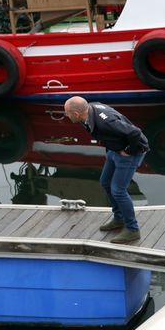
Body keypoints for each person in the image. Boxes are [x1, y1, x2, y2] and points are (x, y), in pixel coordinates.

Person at [63, 96, 150, 244]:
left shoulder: (105, 122)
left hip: (130, 153)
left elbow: (135, 133)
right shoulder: (89, 110)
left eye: (67, 113)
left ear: (76, 114)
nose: (66, 115)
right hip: (114, 150)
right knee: (105, 182)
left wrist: (129, 151)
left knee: (118, 190)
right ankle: (119, 218)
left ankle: (132, 229)